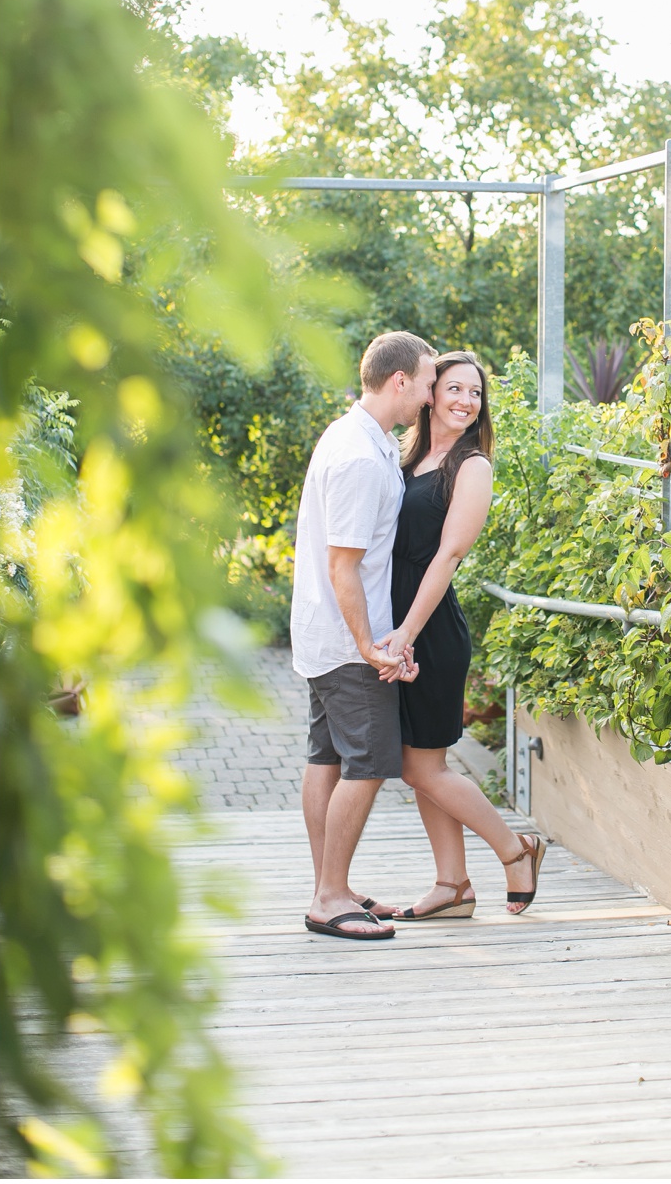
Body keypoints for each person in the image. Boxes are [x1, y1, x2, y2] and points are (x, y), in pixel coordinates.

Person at [382, 350, 544, 919]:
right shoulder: (411, 456)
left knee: (420, 765)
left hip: (428, 630)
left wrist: (405, 633)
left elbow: (449, 554)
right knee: (421, 762)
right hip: (398, 625)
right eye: (453, 388)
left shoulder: (472, 467)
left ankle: (514, 850)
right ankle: (453, 886)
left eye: (475, 393)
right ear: (429, 394)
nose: (464, 401)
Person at [293, 331, 435, 942]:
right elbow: (342, 565)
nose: (431, 396)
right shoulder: (355, 455)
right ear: (399, 380)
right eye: (429, 383)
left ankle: (333, 884)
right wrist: (369, 646)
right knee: (369, 763)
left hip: (327, 638)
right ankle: (329, 897)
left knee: (326, 757)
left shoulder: (361, 439)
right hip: (350, 641)